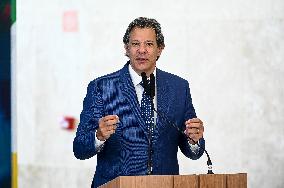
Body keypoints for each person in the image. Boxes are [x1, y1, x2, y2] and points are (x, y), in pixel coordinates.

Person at [73, 17, 205, 188]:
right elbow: (79, 149)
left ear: (160, 49)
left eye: (149, 44)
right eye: (135, 44)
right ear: (126, 49)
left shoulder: (179, 87)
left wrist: (194, 140)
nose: (142, 50)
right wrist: (98, 136)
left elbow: (193, 152)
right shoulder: (101, 87)